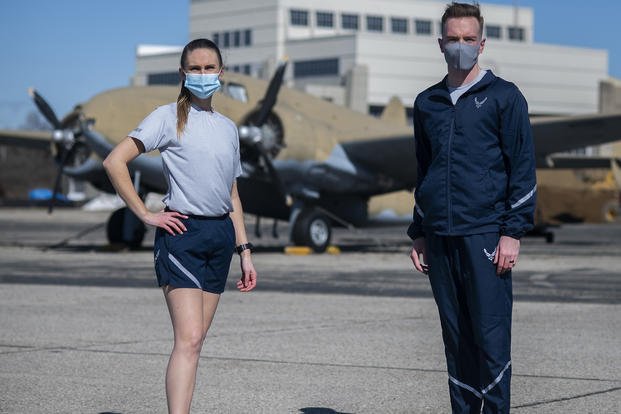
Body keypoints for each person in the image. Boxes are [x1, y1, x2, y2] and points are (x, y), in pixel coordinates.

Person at [103, 38, 257, 414]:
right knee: (187, 339)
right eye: (195, 68)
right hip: (181, 235)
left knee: (197, 341)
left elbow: (232, 194)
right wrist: (145, 213)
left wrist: (245, 251)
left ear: (221, 73)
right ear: (183, 74)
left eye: (209, 68)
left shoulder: (228, 129)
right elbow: (114, 162)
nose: (202, 75)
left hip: (221, 236)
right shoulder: (166, 117)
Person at [407, 2, 536, 413]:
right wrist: (420, 232)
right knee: (456, 339)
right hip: (441, 238)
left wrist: (512, 231)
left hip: (485, 235)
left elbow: (523, 167)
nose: (460, 46)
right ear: (439, 43)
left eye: (468, 39)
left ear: (482, 43)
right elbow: (425, 171)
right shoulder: (427, 103)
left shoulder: (504, 97)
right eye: (452, 39)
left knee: (490, 339)